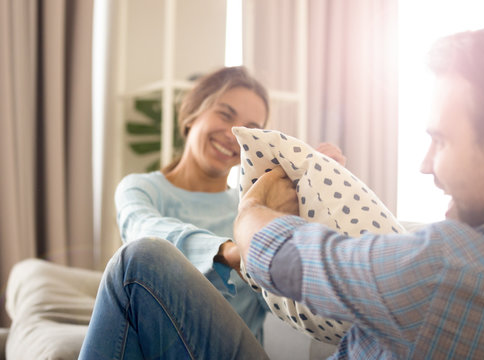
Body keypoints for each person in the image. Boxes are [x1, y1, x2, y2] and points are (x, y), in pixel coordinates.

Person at [234, 19, 484, 359]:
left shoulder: (447, 269)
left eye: (440, 140)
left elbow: (285, 257)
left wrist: (251, 212)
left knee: (160, 262)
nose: (426, 165)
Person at [79, 66, 345, 359]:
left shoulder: (252, 209)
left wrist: (316, 200)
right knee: (140, 257)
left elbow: (288, 297)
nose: (234, 134)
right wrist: (232, 252)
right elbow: (142, 232)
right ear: (193, 113)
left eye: (250, 127)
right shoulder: (141, 189)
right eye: (225, 114)